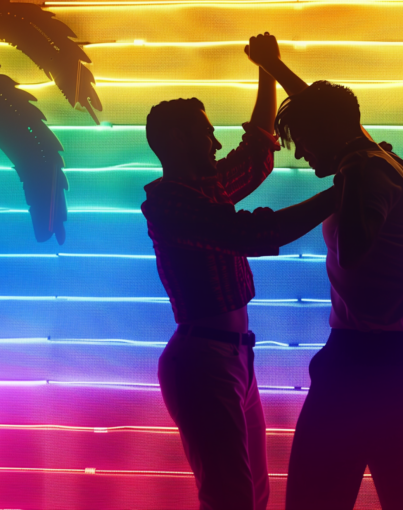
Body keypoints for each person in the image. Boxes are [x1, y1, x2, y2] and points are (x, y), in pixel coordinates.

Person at [245, 37, 403, 510]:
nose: (302, 154)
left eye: (306, 141)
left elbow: (354, 250)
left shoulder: (364, 171)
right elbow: (328, 115)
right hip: (402, 360)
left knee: (317, 497)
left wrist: (344, 185)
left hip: (363, 364)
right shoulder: (385, 160)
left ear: (334, 132)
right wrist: (274, 68)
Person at [141, 33, 338, 510]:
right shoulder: (169, 205)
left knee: (249, 494)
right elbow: (249, 233)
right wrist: (339, 192)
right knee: (231, 497)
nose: (216, 140)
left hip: (231, 360)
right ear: (177, 140)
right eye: (206, 132)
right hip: (204, 364)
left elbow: (257, 154)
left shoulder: (207, 189)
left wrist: (267, 69)